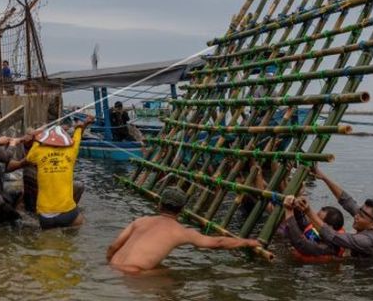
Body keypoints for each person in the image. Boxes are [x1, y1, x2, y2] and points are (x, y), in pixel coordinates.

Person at [107, 187, 261, 273]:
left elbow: (113, 247)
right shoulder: (182, 232)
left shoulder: (140, 221)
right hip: (134, 273)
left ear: (159, 205)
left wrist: (109, 265)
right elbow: (218, 242)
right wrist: (248, 242)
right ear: (181, 211)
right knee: (172, 276)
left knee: (163, 269)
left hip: (113, 265)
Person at [302, 165, 373, 259]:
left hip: (365, 270)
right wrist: (324, 178)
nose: (356, 216)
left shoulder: (367, 241)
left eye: (361, 216)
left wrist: (308, 211)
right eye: (359, 212)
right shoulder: (370, 220)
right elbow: (346, 201)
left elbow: (334, 236)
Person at [25, 116, 94, 229]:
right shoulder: (71, 152)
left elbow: (29, 158)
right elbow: (77, 138)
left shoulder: (38, 152)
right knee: (81, 221)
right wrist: (80, 127)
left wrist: (37, 137)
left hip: (45, 216)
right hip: (67, 214)